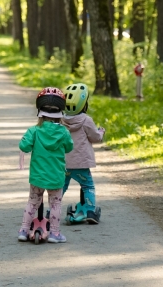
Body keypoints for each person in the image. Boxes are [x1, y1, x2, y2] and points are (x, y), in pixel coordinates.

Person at [17, 87, 73, 243]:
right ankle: (54, 233)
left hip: (37, 177)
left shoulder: (34, 130)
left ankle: (23, 230)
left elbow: (24, 147)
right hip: (56, 177)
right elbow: (69, 147)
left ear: (40, 111)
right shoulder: (63, 132)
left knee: (32, 202)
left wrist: (25, 140)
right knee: (55, 204)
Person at [62, 83, 105, 224]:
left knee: (61, 187)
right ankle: (91, 211)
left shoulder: (60, 119)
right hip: (81, 164)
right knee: (88, 186)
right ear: (84, 104)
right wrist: (101, 132)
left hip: (64, 164)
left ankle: (53, 210)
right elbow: (95, 137)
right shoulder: (86, 120)